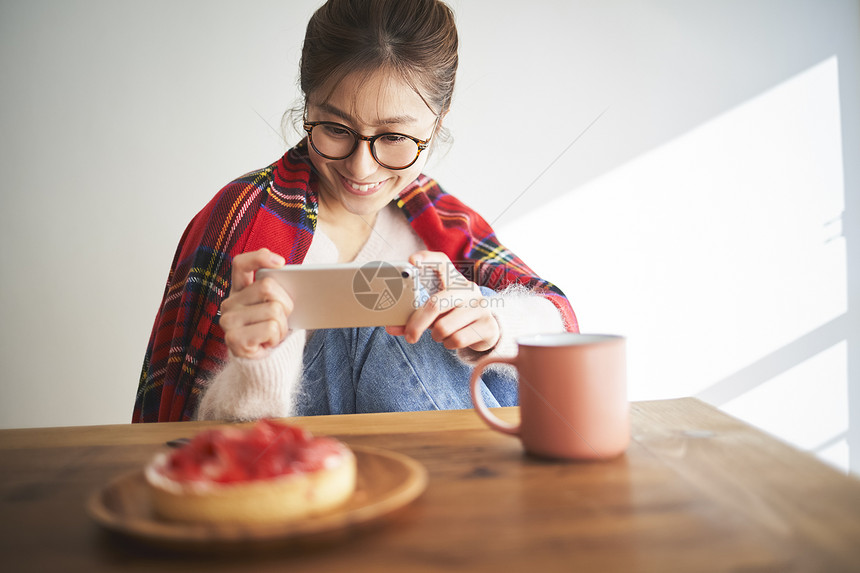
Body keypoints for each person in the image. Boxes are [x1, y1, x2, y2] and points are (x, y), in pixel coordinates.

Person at [132, 0, 578, 423]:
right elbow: (187, 439)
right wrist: (257, 364)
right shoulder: (242, 219)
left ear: (436, 126)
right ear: (308, 107)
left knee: (424, 299)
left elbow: (560, 333)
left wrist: (491, 324)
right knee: (376, 305)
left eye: (394, 137)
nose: (361, 168)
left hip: (457, 467)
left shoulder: (442, 222)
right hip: (309, 476)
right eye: (334, 129)